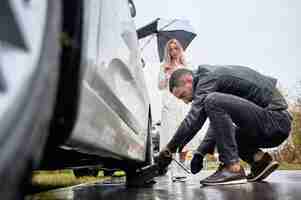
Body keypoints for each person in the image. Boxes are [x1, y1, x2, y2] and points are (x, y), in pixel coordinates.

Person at [158, 65, 292, 185]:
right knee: (218, 115)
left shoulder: (208, 77)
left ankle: (231, 167)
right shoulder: (212, 82)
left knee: (212, 100)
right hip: (269, 125)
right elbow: (218, 126)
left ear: (188, 80)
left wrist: (169, 148)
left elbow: (194, 118)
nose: (186, 102)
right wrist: (200, 152)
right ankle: (260, 161)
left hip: (275, 121)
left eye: (183, 95)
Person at [157, 39, 192, 179]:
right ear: (168, 52)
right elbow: (159, 86)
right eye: (170, 49)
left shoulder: (186, 66)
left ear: (180, 50)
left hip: (183, 104)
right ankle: (173, 170)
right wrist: (166, 74)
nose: (173, 52)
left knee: (184, 135)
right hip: (169, 104)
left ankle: (182, 169)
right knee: (170, 136)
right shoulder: (163, 66)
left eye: (175, 48)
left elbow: (191, 82)